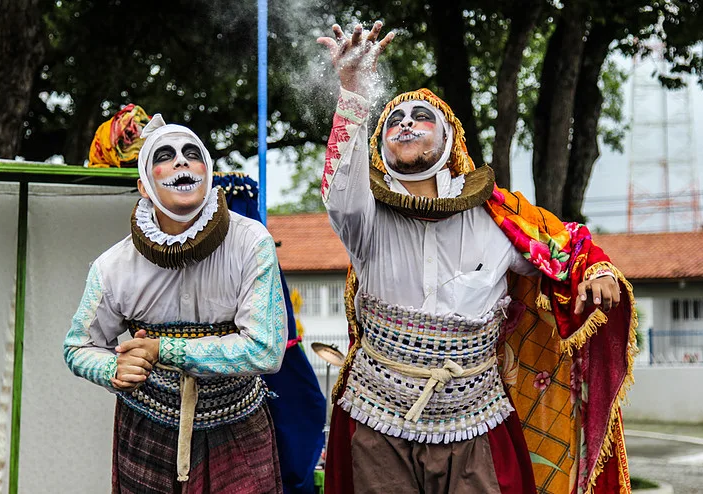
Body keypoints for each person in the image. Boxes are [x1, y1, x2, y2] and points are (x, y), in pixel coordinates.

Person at [318, 21, 636, 494]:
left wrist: (595, 269)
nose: (405, 123)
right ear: (379, 146)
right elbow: (339, 185)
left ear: (448, 139)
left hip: (476, 421)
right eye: (393, 121)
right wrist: (352, 91)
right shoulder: (363, 216)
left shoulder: (498, 217)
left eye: (421, 116)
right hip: (375, 419)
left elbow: (566, 246)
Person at [64, 114, 287, 493]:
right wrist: (113, 368)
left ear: (209, 173)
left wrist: (164, 348)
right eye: (165, 155)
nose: (181, 161)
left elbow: (266, 349)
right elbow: (77, 347)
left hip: (237, 427)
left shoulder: (251, 242)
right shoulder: (113, 266)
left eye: (191, 153)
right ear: (145, 186)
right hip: (147, 430)